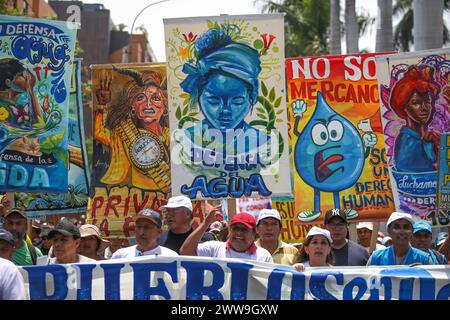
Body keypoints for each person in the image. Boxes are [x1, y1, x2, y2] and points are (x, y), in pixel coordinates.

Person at [94, 67, 170, 193]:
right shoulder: (123, 134)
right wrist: (102, 105)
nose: (148, 104)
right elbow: (99, 132)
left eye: (156, 99)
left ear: (164, 106)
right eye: (141, 98)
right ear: (132, 105)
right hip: (131, 196)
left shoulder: (170, 136)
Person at [390, 66, 440, 172]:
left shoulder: (424, 138)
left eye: (427, 102)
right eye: (415, 103)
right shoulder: (407, 142)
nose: (424, 108)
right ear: (404, 106)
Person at [180, 210, 273, 263]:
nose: (239, 233)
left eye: (244, 229)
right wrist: (205, 223)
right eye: (235, 228)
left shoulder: (263, 256)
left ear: (254, 234)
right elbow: (185, 252)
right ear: (229, 231)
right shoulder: (214, 249)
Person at [367, 212, 434, 266]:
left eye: (406, 227)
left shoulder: (424, 259)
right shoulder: (375, 258)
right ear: (389, 231)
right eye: (397, 227)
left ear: (412, 232)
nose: (402, 232)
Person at [112, 209, 177, 258]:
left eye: (147, 227)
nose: (141, 232)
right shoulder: (119, 256)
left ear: (159, 232)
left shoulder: (170, 257)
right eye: (138, 227)